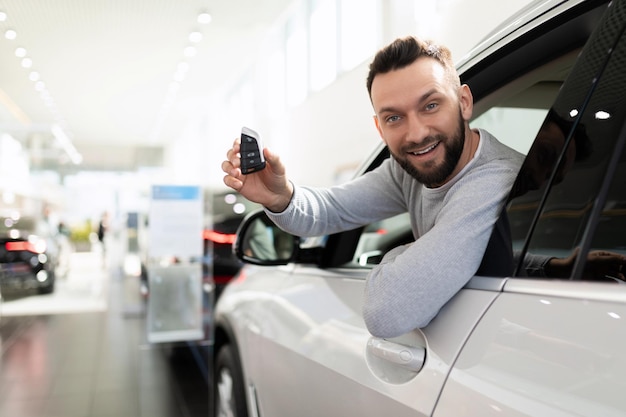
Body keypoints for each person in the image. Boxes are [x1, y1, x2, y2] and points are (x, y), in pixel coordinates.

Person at [222, 37, 622, 339]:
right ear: (380, 127)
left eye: (431, 105)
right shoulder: (408, 170)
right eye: (394, 118)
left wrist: (411, 251)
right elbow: (332, 209)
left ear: (464, 102)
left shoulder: (494, 179)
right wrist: (281, 195)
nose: (416, 133)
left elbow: (388, 312)